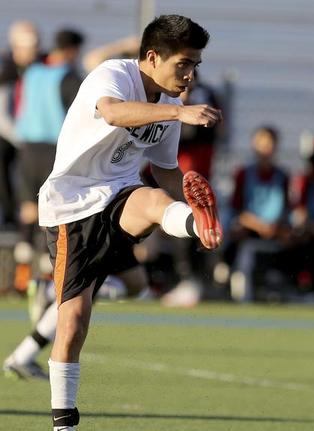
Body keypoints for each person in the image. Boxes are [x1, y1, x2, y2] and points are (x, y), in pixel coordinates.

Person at [37, 15, 222, 431]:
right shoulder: (113, 75)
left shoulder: (172, 105)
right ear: (152, 57)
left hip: (118, 194)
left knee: (155, 201)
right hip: (70, 206)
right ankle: (63, 423)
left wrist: (197, 210)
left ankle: (198, 228)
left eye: (196, 65)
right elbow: (113, 113)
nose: (191, 75)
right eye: (184, 64)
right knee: (74, 323)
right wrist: (180, 115)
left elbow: (167, 171)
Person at [15, 29, 85, 274]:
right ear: (72, 51)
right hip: (54, 149)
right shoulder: (69, 77)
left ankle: (23, 254)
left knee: (27, 207)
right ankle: (46, 265)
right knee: (50, 208)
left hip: (26, 147)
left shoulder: (31, 72)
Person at [3, 266, 148, 380]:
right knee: (84, 289)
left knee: (135, 283)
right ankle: (22, 358)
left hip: (107, 231)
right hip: (89, 231)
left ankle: (48, 290)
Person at [225, 125, 290, 301]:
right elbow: (237, 210)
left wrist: (276, 227)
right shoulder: (243, 174)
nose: (266, 148)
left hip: (273, 229)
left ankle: (286, 288)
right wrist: (259, 225)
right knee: (236, 236)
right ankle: (234, 287)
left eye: (270, 143)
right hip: (250, 228)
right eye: (262, 143)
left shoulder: (282, 176)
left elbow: (287, 209)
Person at [0, 20, 41, 226]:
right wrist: (21, 137)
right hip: (12, 133)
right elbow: (3, 116)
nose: (32, 52)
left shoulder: (42, 67)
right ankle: (9, 215)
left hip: (34, 136)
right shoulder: (6, 71)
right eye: (27, 47)